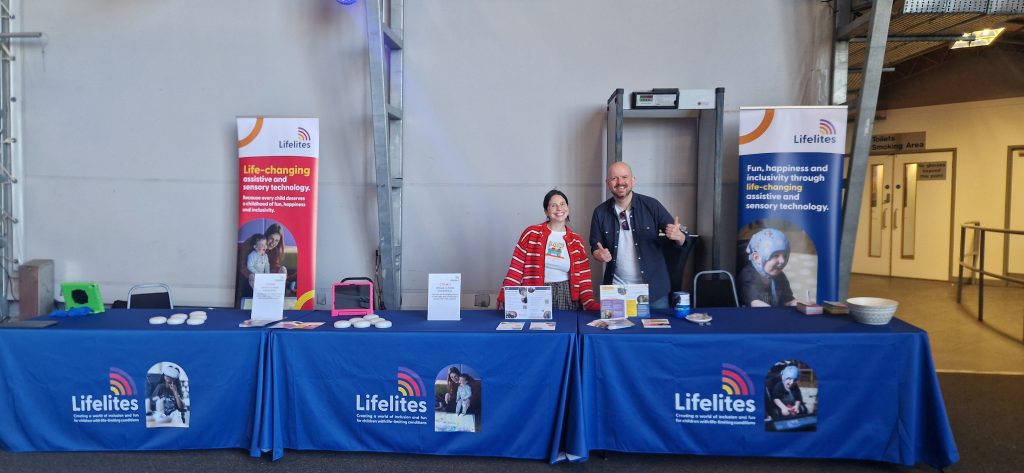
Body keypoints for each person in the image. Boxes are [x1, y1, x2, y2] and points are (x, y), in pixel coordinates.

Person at [590, 162, 688, 309]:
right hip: (616, 290)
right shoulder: (600, 212)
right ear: (608, 184)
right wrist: (599, 254)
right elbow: (595, 247)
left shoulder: (652, 205)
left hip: (653, 292)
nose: (620, 182)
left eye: (624, 177)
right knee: (613, 332)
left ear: (633, 180)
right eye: (614, 178)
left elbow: (682, 239)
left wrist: (680, 236)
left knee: (654, 333)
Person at [499, 190, 599, 311]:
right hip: (535, 294)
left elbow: (584, 278)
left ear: (568, 208)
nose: (559, 208)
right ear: (546, 211)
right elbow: (516, 268)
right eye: (553, 205)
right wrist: (505, 295)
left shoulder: (576, 241)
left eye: (563, 204)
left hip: (566, 295)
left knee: (565, 329)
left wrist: (590, 303)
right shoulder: (531, 233)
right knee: (537, 329)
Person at [739, 227, 797, 307]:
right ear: (757, 258)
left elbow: (787, 300)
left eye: (785, 255)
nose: (782, 261)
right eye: (776, 255)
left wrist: (800, 305)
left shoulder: (780, 276)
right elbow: (755, 302)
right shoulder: (748, 276)